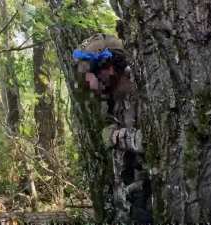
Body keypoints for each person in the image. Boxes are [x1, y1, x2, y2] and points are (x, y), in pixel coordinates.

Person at [74, 33, 153, 224]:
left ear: (108, 68)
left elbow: (158, 142)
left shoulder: (146, 90)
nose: (88, 82)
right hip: (129, 202)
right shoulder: (110, 102)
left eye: (89, 72)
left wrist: (119, 137)